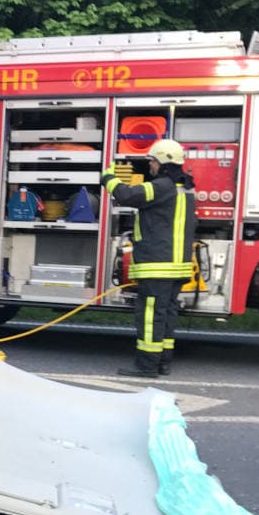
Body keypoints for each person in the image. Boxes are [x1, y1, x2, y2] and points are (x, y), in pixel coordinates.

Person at [100, 138, 197, 378]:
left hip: (158, 265)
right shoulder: (185, 188)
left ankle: (146, 366)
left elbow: (128, 195)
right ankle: (163, 362)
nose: (150, 165)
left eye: (153, 160)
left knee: (151, 314)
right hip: (176, 266)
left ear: (163, 161)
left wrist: (108, 178)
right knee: (167, 313)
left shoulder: (162, 186)